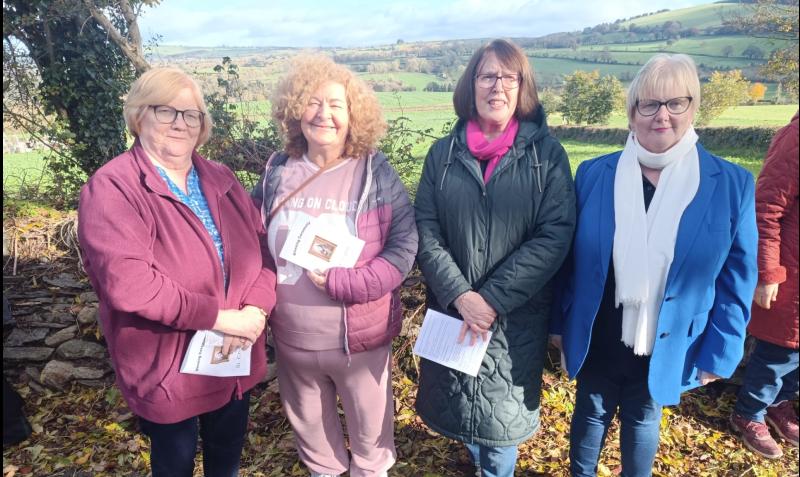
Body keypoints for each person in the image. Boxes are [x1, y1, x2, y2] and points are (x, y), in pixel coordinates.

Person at [551, 53, 758, 477]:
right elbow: (567, 262)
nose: (662, 115)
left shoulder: (731, 184)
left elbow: (739, 278)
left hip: (669, 333)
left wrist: (722, 351)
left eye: (675, 102)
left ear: (692, 106)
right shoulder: (593, 174)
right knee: (589, 412)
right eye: (649, 104)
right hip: (599, 329)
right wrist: (558, 323)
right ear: (632, 113)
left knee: (644, 417)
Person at [77, 67, 276, 477]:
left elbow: (263, 251)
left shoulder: (221, 178)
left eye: (192, 114)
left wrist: (256, 311)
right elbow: (129, 285)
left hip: (233, 355)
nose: (181, 124)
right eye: (166, 111)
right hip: (168, 367)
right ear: (139, 115)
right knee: (174, 466)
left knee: (227, 463)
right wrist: (222, 317)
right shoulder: (114, 188)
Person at [414, 39, 576, 477]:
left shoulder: (547, 157)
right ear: (471, 84)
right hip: (455, 311)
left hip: (513, 320)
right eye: (487, 75)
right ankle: (473, 459)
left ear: (523, 86)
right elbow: (426, 231)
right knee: (462, 410)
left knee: (501, 428)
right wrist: (461, 295)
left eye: (509, 76)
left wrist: (490, 300)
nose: (498, 86)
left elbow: (554, 235)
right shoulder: (442, 156)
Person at [253, 55, 417, 477]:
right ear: (295, 110)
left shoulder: (374, 173)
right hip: (292, 341)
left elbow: (404, 246)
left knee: (370, 450)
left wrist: (352, 282)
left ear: (353, 115)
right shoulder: (277, 171)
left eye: (336, 105)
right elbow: (253, 244)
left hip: (359, 344)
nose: (323, 114)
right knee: (317, 451)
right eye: (312, 102)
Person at [730, 111, 799, 459]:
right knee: (779, 351)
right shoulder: (795, 137)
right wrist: (768, 271)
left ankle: (780, 404)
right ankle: (749, 412)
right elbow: (767, 208)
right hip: (793, 272)